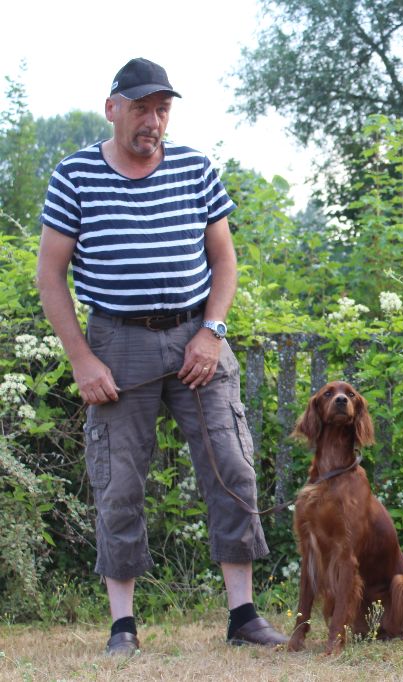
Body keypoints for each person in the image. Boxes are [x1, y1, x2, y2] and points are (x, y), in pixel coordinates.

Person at [36, 58, 287, 655]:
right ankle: (123, 627)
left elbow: (224, 261)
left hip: (198, 340)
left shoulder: (197, 170)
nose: (154, 121)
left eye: (163, 109)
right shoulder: (74, 176)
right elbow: (50, 276)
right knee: (119, 481)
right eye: (143, 108)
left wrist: (213, 331)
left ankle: (243, 618)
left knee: (232, 466)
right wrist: (81, 360)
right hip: (116, 344)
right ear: (113, 108)